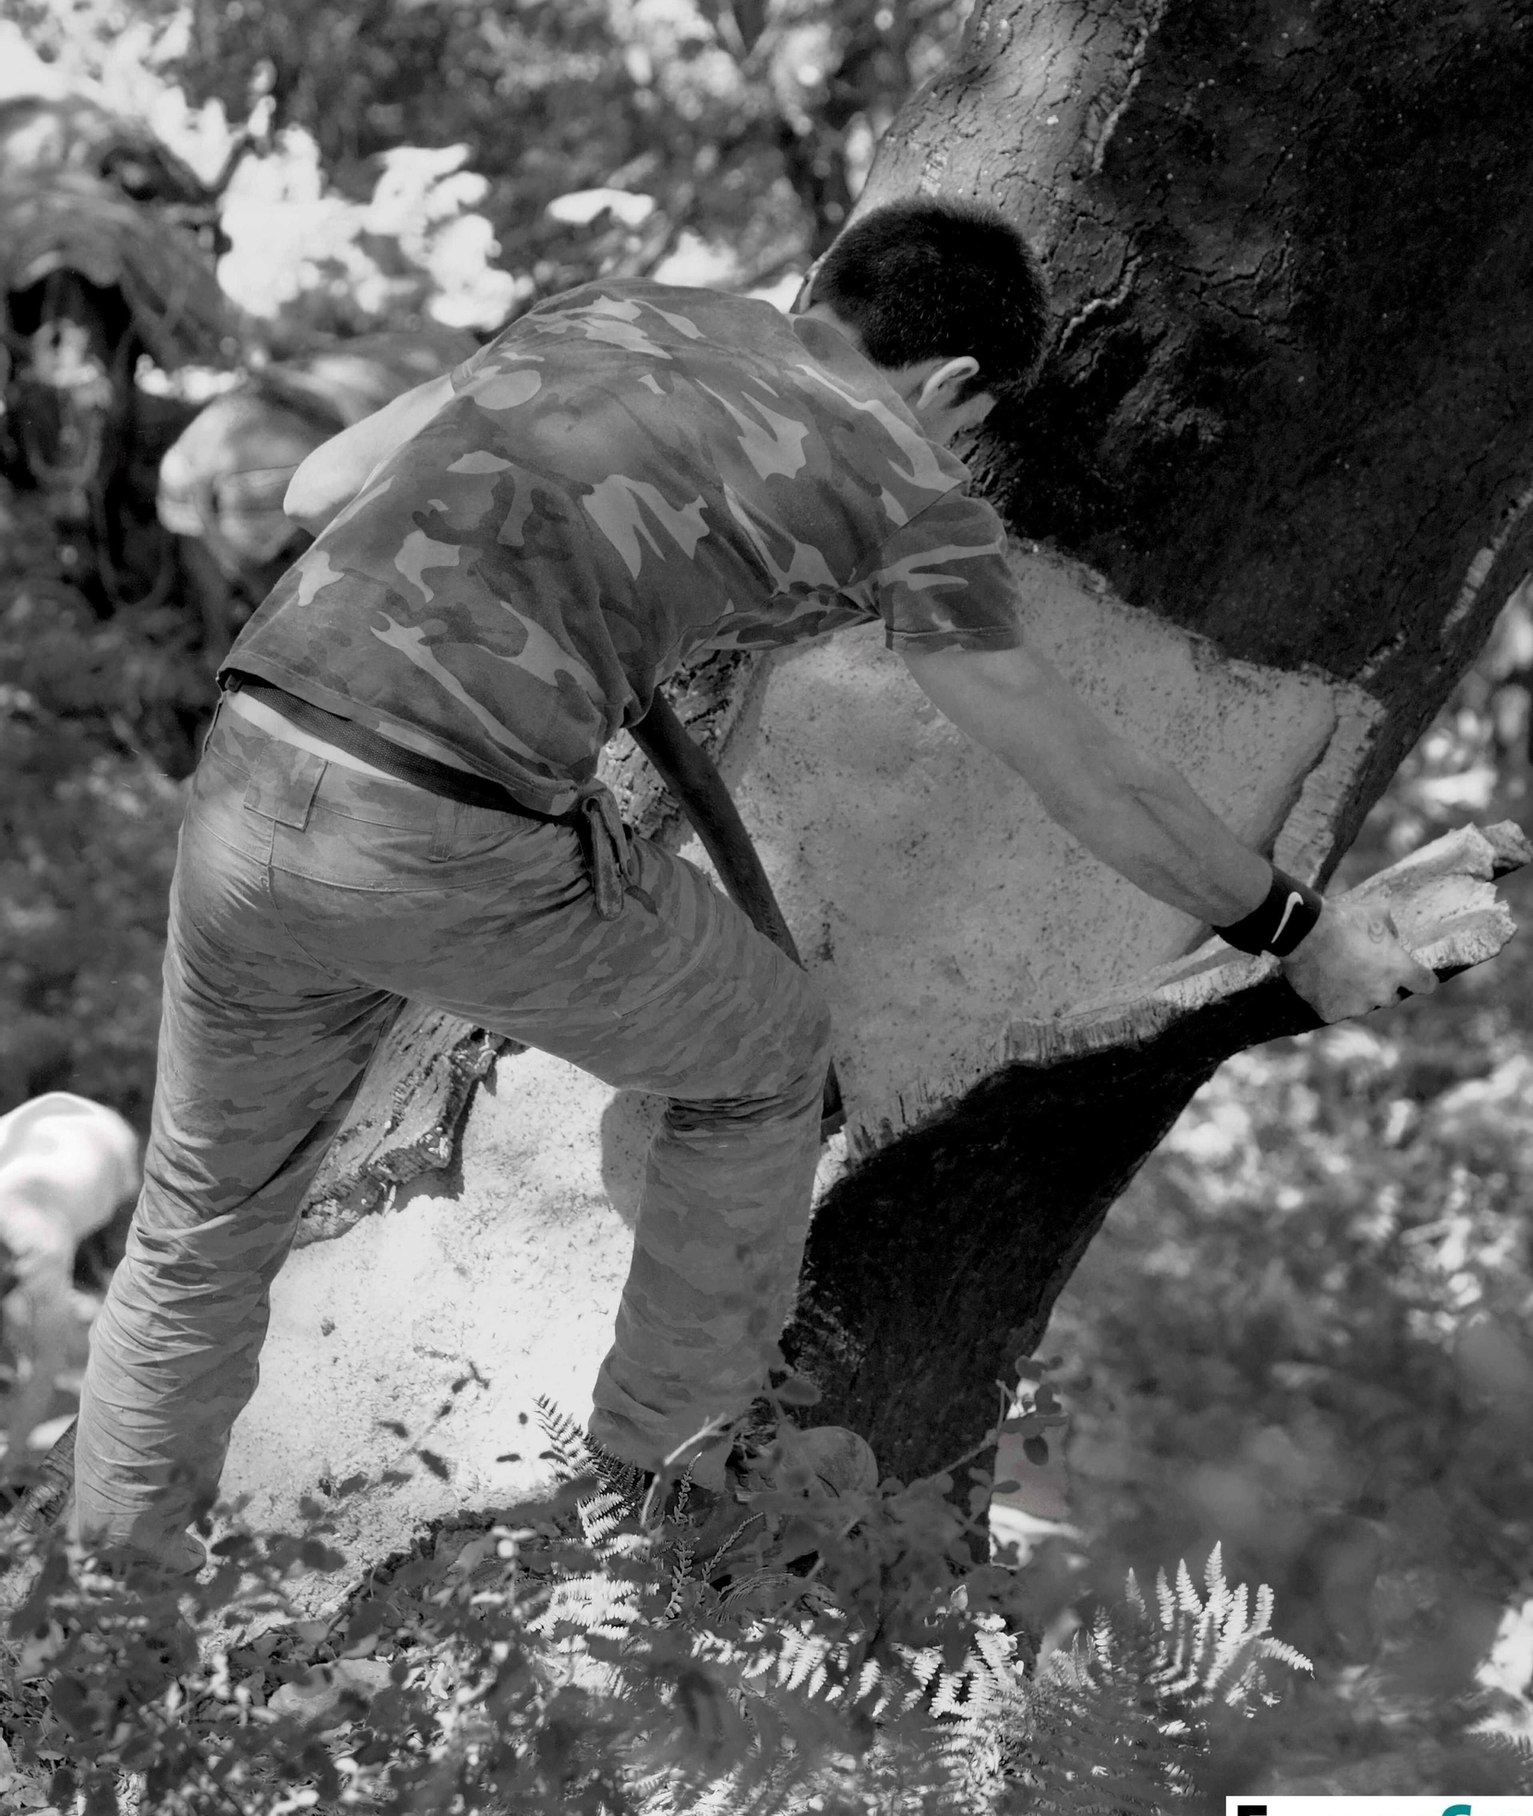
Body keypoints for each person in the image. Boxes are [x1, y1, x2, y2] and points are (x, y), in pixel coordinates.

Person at [69, 198, 1433, 1574]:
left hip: (255, 771)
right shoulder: (905, 496)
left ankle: (108, 1614)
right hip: (444, 831)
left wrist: (595, 587)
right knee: (768, 1059)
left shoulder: (610, 311)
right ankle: (649, 1484)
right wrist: (1290, 927)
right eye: (969, 425)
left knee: (197, 1226)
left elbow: (315, 490)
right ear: (952, 384)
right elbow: (1085, 773)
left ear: (825, 291)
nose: (958, 451)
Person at [0, 1093, 140, 1475]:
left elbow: (47, 1364)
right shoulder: (34, 1243)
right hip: (58, 1120)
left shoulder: (40, 1248)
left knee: (128, 1280)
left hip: (109, 1144)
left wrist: (12, 1454)